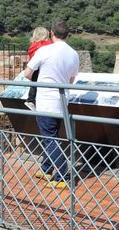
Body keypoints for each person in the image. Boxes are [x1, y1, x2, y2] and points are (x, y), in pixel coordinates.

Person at [23, 19, 80, 188]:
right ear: (67, 34)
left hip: (46, 101)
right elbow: (71, 79)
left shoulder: (44, 50)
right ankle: (47, 169)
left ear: (52, 33)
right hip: (62, 102)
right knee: (53, 136)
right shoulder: (73, 54)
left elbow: (27, 74)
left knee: (50, 138)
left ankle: (62, 175)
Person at [25, 26, 52, 109]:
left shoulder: (33, 46)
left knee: (34, 83)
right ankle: (31, 100)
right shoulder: (48, 45)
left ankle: (31, 100)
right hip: (46, 69)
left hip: (35, 68)